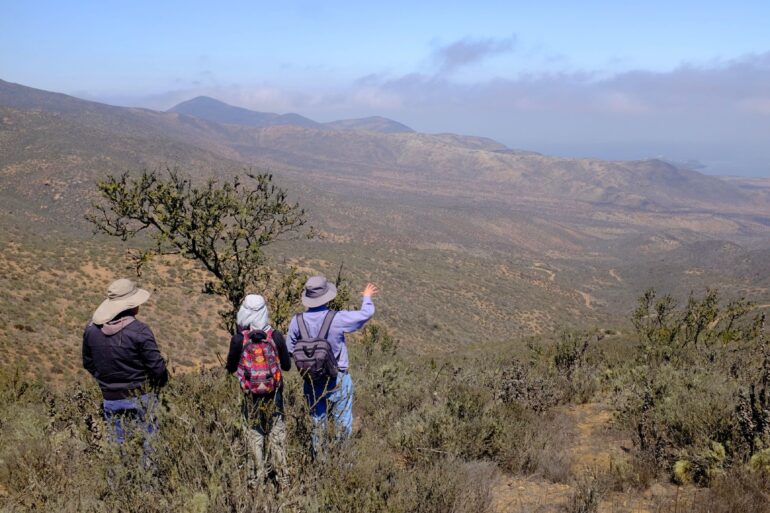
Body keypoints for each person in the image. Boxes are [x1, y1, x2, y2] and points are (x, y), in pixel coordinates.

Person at [82, 278, 168, 460]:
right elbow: (157, 368)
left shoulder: (90, 330)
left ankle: (119, 487)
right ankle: (149, 487)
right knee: (149, 448)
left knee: (117, 450)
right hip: (142, 396)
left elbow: (89, 363)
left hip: (110, 399)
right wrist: (157, 385)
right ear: (131, 306)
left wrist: (106, 382)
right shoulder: (139, 331)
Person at [287, 276, 378, 444]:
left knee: (317, 422)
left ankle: (320, 461)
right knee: (342, 421)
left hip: (311, 379)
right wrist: (366, 296)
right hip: (337, 377)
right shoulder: (337, 318)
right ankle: (341, 463)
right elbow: (366, 313)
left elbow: (290, 349)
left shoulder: (296, 321)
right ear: (326, 296)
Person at [226, 294, 291, 488]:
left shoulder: (239, 339)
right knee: (276, 435)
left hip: (250, 395)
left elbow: (230, 367)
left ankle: (255, 480)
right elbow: (286, 366)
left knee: (254, 434)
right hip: (274, 394)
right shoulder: (276, 336)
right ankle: (283, 480)